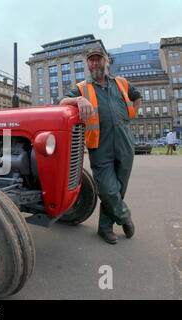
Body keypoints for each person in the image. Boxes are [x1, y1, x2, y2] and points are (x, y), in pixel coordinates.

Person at [60, 47, 142, 245]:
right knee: (107, 188)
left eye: (98, 59)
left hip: (124, 143)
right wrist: (78, 99)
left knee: (119, 188)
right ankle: (124, 217)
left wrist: (130, 115)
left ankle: (105, 229)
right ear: (87, 64)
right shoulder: (82, 88)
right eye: (91, 60)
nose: (95, 63)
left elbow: (137, 96)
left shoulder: (121, 83)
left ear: (106, 61)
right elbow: (62, 101)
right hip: (99, 145)